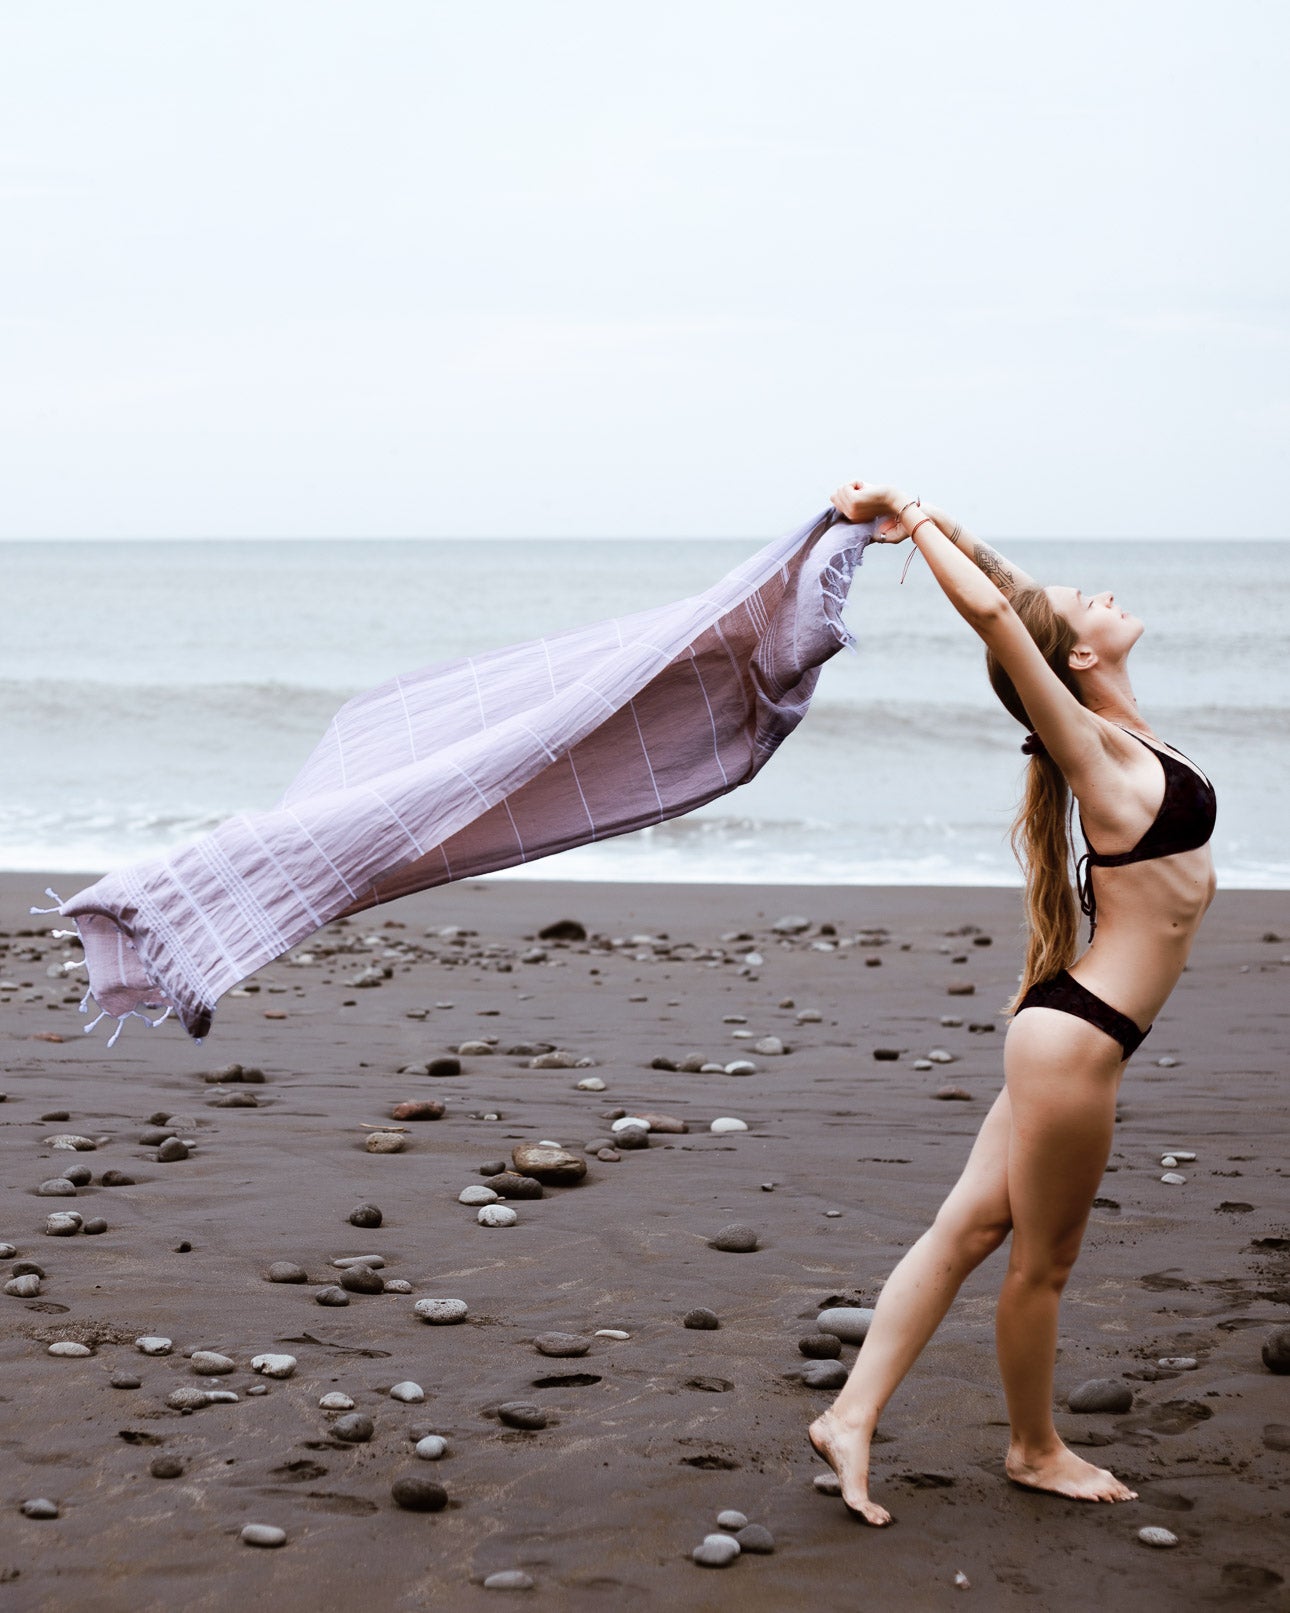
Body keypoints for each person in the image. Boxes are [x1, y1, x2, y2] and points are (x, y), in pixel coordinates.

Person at [807, 479, 1217, 1524]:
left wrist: (922, 520)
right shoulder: (1095, 746)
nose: (1102, 594)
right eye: (1089, 600)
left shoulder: (1120, 732)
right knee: (1042, 1263)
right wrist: (919, 522)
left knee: (965, 1228)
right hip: (1077, 1041)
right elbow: (998, 617)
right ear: (1076, 657)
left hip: (1067, 1026)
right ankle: (1034, 1447)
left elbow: (1012, 594)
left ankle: (849, 1414)